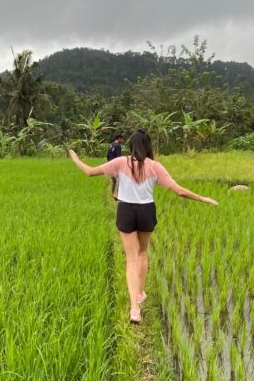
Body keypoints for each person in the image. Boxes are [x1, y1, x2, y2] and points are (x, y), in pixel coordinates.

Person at [68, 128, 218, 324]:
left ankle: (134, 309)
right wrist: (203, 198)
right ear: (148, 146)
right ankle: (140, 293)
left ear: (130, 146)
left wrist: (75, 158)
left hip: (126, 211)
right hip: (146, 211)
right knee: (142, 253)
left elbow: (89, 172)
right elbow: (179, 191)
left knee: (131, 259)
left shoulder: (121, 162)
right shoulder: (155, 166)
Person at [106, 133, 124, 198]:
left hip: (110, 164)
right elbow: (119, 157)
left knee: (114, 181)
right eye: (122, 139)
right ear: (119, 138)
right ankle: (117, 195)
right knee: (119, 180)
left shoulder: (110, 145)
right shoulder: (118, 146)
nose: (122, 140)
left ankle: (113, 193)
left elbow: (107, 156)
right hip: (116, 166)